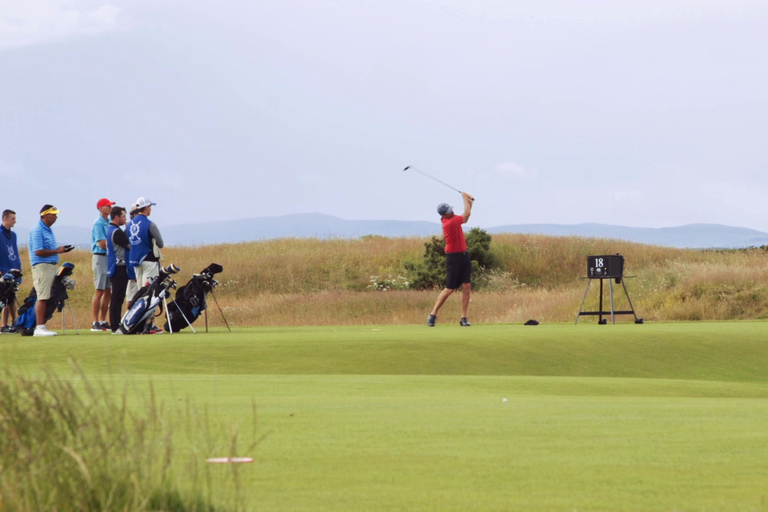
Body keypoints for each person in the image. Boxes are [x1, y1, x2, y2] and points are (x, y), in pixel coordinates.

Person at [427, 191, 475, 327]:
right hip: (453, 258)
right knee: (449, 289)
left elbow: (466, 217)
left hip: (464, 255)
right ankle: (432, 315)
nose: (452, 212)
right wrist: (464, 198)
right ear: (444, 215)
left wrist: (469, 202)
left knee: (467, 286)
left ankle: (464, 318)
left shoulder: (451, 218)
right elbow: (466, 215)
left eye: (451, 209)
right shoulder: (450, 223)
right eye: (449, 211)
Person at [28, 205, 73, 337]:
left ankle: (41, 326)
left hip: (49, 266)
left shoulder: (47, 229)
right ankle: (39, 327)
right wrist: (57, 251)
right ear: (46, 215)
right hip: (41, 265)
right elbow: (38, 251)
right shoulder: (37, 230)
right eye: (53, 214)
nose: (56, 217)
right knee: (42, 296)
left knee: (46, 295)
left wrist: (60, 250)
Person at [127, 197, 164, 334]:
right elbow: (161, 243)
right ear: (147, 207)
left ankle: (138, 324)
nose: (151, 209)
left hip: (135, 262)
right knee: (150, 293)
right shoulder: (150, 224)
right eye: (150, 207)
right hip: (149, 261)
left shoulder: (130, 224)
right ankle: (148, 325)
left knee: (140, 293)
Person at [91, 198, 114, 331]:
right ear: (100, 208)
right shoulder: (98, 223)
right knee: (99, 290)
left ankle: (103, 320)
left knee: (107, 291)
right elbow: (102, 243)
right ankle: (95, 322)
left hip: (108, 257)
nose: (110, 208)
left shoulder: (109, 222)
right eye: (108, 206)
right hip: (100, 257)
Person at [106, 206, 130, 334]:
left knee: (117, 297)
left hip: (114, 266)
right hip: (119, 267)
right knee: (117, 298)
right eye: (123, 216)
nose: (125, 219)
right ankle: (115, 326)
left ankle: (116, 324)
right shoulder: (116, 232)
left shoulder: (111, 230)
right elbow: (129, 245)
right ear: (117, 217)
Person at [0, 209, 21, 333]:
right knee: (4, 298)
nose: (15, 221)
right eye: (13, 219)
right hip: (3, 270)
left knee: (12, 296)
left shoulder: (13, 235)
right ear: (5, 219)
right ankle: (4, 325)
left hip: (13, 269)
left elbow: (15, 253)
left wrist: (18, 267)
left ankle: (14, 322)